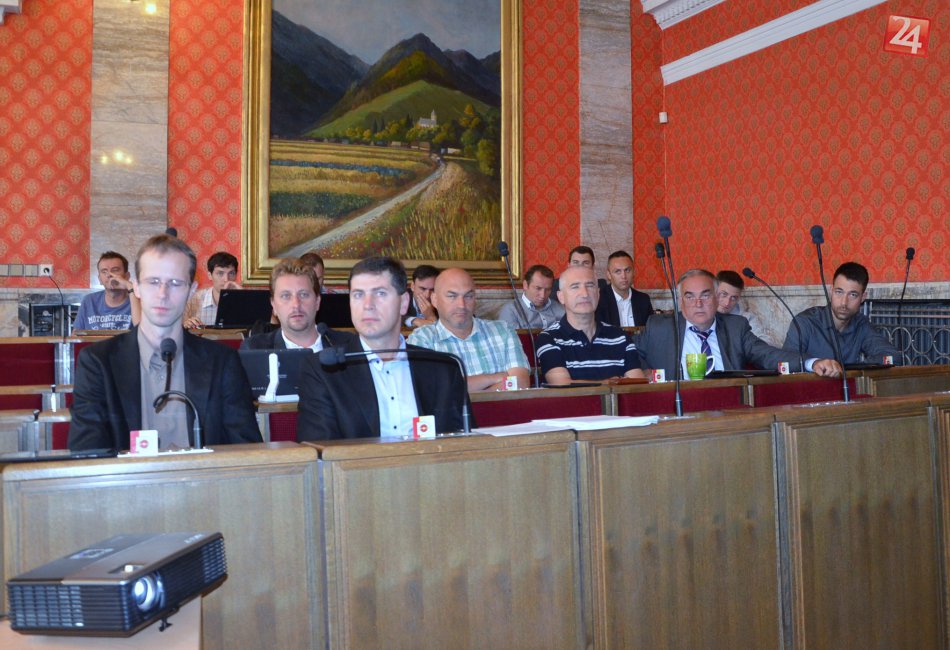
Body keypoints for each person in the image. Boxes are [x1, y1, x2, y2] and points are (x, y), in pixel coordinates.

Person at [69, 234, 262, 451]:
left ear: (191, 290)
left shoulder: (223, 362)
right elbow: (87, 453)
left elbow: (247, 451)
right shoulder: (97, 362)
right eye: (153, 282)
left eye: (175, 283)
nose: (163, 294)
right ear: (136, 287)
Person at [297, 257, 468, 441]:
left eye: (380, 293)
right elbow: (321, 451)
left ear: (403, 303)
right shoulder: (323, 370)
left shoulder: (443, 368)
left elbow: (467, 446)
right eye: (358, 295)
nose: (367, 305)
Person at [636, 269, 842, 378]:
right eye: (690, 297)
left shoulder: (735, 327)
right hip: (677, 412)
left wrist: (812, 363)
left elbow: (768, 354)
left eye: (705, 295)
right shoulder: (659, 327)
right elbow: (630, 354)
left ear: (716, 297)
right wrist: (642, 373)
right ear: (681, 301)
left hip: (728, 410)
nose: (698, 303)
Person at [408, 268, 530, 391]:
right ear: (435, 300)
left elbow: (521, 382)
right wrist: (493, 378)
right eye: (452, 296)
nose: (461, 305)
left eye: (468, 296)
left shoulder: (502, 331)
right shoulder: (421, 339)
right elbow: (433, 390)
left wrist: (463, 394)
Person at [536, 265, 645, 384]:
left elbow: (636, 384)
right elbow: (562, 385)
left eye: (590, 285)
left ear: (598, 294)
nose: (585, 293)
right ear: (561, 297)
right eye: (575, 287)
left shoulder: (620, 337)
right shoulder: (549, 338)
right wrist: (607, 384)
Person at [784, 261, 900, 368]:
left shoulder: (861, 324)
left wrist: (854, 369)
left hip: (848, 384)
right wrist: (814, 364)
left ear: (863, 297)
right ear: (831, 291)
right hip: (809, 384)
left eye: (853, 295)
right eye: (839, 292)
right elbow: (786, 361)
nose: (844, 302)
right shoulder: (805, 322)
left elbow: (892, 356)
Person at [241, 258, 350, 351]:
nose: (296, 304)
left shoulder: (349, 345)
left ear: (317, 302)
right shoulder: (254, 349)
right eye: (286, 296)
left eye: (303, 294)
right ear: (273, 306)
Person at [73, 251, 139, 331]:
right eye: (104, 272)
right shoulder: (89, 301)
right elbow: (76, 335)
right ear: (100, 279)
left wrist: (130, 286)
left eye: (115, 270)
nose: (109, 275)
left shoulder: (138, 300)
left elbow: (142, 331)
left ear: (126, 276)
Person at [595, 250, 654, 327]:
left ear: (634, 272)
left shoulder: (643, 300)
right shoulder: (598, 299)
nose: (623, 276)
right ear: (609, 275)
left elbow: (650, 331)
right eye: (618, 271)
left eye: (627, 270)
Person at [183, 251, 241, 328]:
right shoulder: (192, 299)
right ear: (210, 275)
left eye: (231, 273)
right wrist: (185, 325)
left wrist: (243, 296)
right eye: (220, 273)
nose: (226, 279)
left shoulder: (244, 301)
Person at [498, 264, 565, 329]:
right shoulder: (511, 310)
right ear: (525, 285)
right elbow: (512, 336)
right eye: (538, 288)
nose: (542, 295)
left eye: (548, 290)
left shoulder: (559, 308)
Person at [715, 270, 772, 344]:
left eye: (733, 298)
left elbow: (765, 342)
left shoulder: (747, 318)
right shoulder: (702, 316)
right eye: (724, 294)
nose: (727, 303)